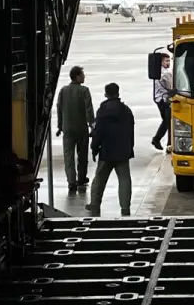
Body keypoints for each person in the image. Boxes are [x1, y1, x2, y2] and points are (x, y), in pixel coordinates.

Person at [90, 82, 136, 215]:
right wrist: (129, 147)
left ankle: (95, 204)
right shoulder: (126, 110)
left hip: (106, 151)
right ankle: (125, 207)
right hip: (123, 151)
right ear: (118, 93)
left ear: (106, 94)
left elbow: (98, 132)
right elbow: (131, 131)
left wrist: (94, 147)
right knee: (124, 180)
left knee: (99, 179)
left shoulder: (102, 111)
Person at [56, 65, 94, 194]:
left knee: (69, 156)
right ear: (77, 76)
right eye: (82, 75)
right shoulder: (84, 91)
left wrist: (60, 125)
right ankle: (81, 178)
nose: (84, 77)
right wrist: (92, 125)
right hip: (81, 128)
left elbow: (59, 108)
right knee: (82, 155)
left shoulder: (63, 91)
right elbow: (89, 109)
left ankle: (71, 181)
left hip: (67, 129)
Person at [151, 50, 173, 152]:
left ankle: (160, 140)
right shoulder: (165, 74)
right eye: (166, 61)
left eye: (169, 61)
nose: (168, 63)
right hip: (164, 100)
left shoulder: (158, 72)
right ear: (161, 62)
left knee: (167, 121)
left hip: (160, 99)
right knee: (168, 121)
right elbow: (171, 87)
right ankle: (157, 139)